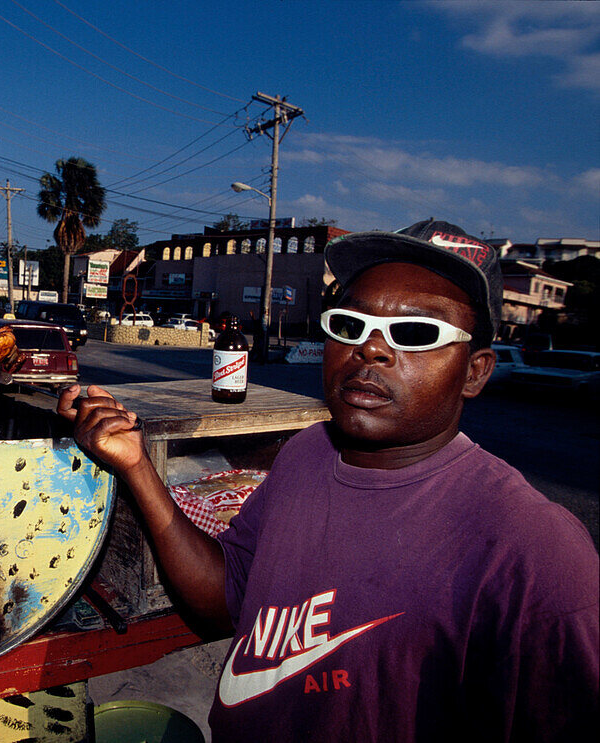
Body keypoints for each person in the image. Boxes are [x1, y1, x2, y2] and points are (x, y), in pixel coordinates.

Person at [58, 220, 599, 741]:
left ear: (475, 371)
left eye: (416, 332)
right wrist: (136, 466)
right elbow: (225, 601)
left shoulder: (533, 551)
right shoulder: (306, 454)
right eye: (350, 324)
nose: (372, 349)